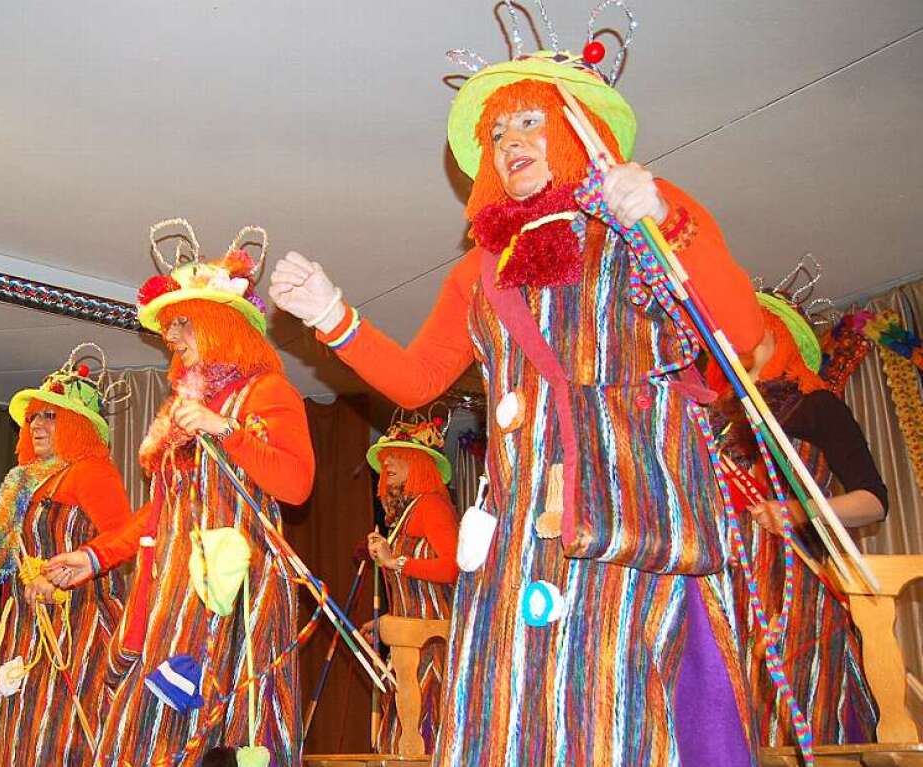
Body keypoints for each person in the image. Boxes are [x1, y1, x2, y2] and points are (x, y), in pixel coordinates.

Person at [269, 10, 770, 765]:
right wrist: (332, 317)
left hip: (631, 522)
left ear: (577, 129)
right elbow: (414, 379)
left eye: (529, 122)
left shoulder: (641, 221)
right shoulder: (479, 271)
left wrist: (665, 219)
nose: (509, 146)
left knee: (620, 718)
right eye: (496, 135)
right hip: (516, 536)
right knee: (509, 717)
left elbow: (739, 338)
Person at [48, 224, 315, 766]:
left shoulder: (268, 392)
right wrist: (95, 555)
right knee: (153, 732)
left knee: (235, 733)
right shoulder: (178, 412)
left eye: (182, 323)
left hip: (237, 594)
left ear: (221, 325)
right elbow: (163, 513)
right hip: (174, 594)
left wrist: (226, 430)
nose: (171, 337)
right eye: (168, 328)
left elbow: (297, 484)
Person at [709, 292, 885, 745]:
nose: (738, 341)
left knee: (808, 709)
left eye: (751, 329)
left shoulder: (817, 407)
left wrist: (798, 510)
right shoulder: (710, 423)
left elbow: (873, 502)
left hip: (797, 590)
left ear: (777, 334)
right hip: (727, 589)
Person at [0, 346, 133, 765]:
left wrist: (61, 575)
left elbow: (123, 537)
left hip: (79, 627)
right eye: (33, 417)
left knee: (64, 738)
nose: (36, 425)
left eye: (50, 416)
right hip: (32, 629)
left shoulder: (91, 471)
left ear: (78, 425)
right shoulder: (29, 482)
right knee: (23, 737)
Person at [363, 413, 458, 753]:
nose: (387, 463)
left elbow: (452, 569)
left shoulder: (432, 506)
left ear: (419, 463)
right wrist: (385, 623)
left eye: (397, 456)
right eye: (385, 458)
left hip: (432, 646)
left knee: (427, 733)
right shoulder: (407, 514)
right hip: (410, 646)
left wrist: (395, 561)